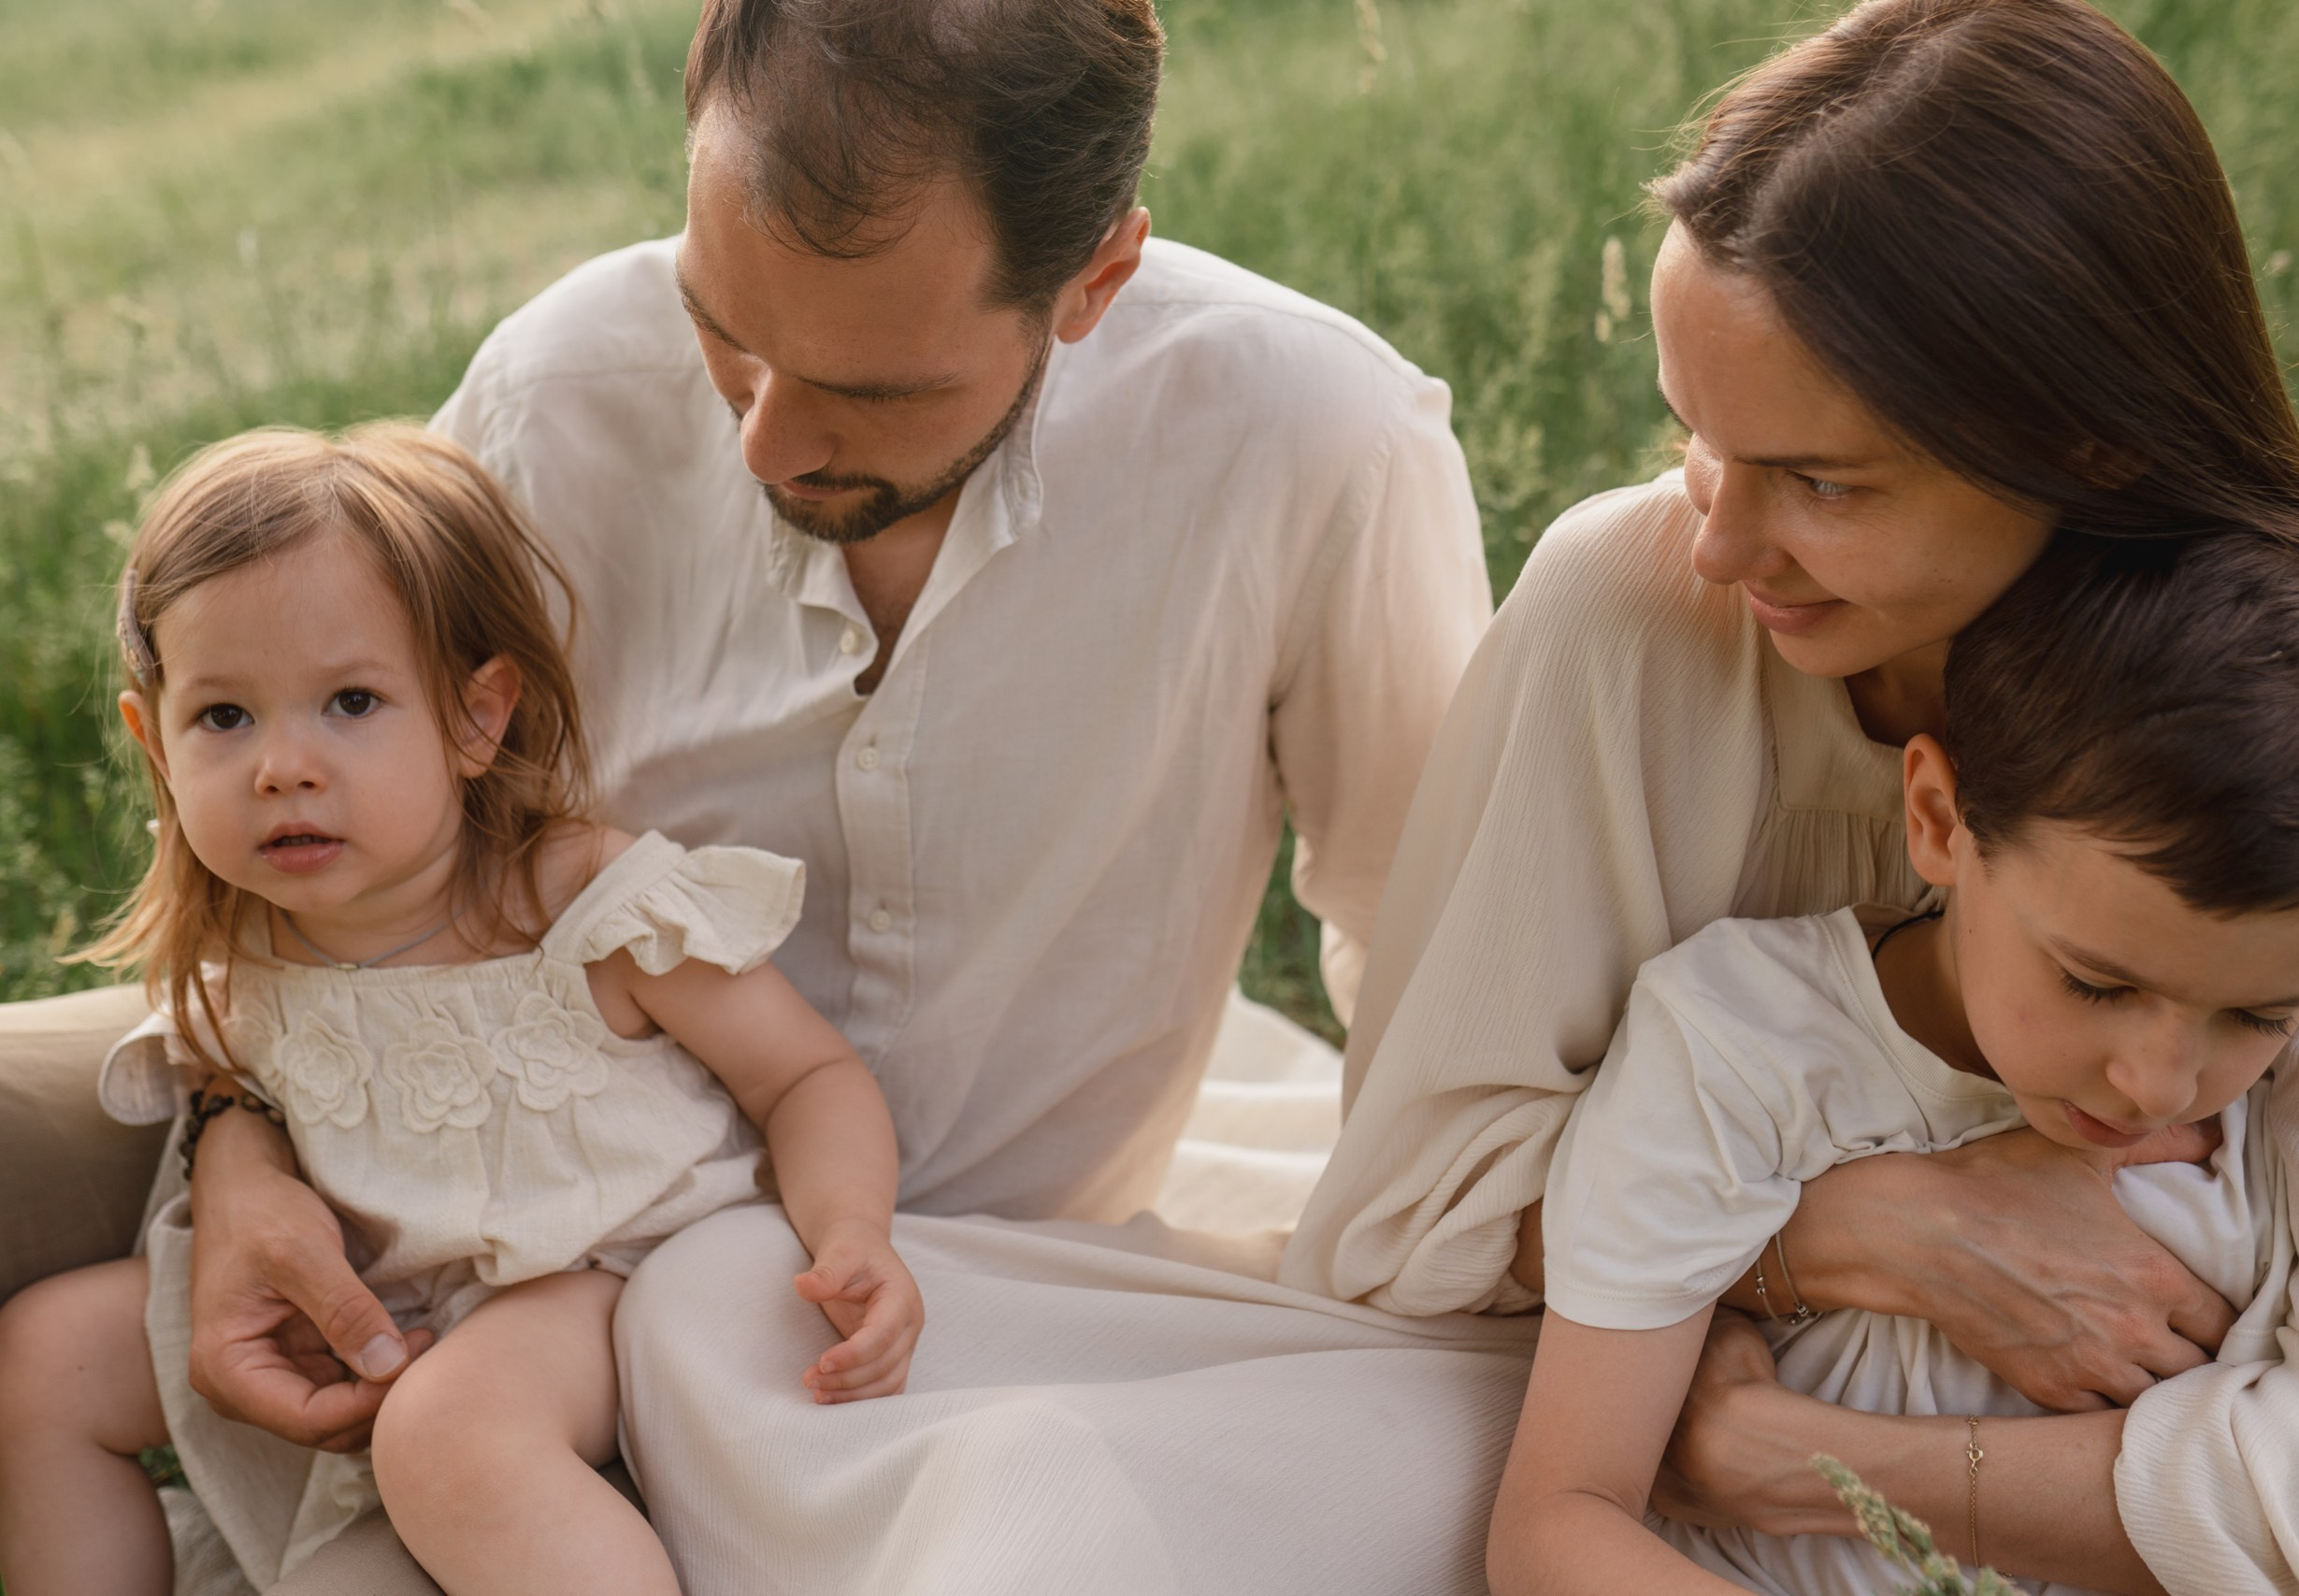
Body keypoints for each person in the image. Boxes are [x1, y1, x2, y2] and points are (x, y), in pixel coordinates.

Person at [0, 0, 1510, 1590]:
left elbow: (1436, 955)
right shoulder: (563, 382)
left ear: (1095, 280)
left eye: (877, 389)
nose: (770, 439)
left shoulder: (1308, 439)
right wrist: (239, 1157)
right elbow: (316, 812)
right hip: (453, 1185)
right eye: (726, 331)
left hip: (967, 1293)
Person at [1286, 0, 2299, 1588]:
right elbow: (1394, 1220)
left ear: (2083, 446)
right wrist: (1861, 1232)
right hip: (1588, 1391)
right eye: (1697, 436)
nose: (1725, 543)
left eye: (1824, 482)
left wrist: (1824, 1465)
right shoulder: (1633, 606)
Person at [0, 424, 924, 1596]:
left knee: (447, 1436)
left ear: (478, 715)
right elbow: (249, 1098)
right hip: (395, 1318)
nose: (282, 765)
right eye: (224, 718)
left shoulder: (587, 905)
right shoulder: (243, 931)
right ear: (155, 742)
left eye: (350, 701)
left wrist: (851, 1233)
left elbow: (802, 1077)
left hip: (612, 1281)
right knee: (49, 1355)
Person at [1490, 529, 2299, 1596]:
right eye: (2095, 984)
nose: (2159, 1085)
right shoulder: (1734, 1048)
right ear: (1935, 819)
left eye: (2255, 1016)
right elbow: (1557, 1527)